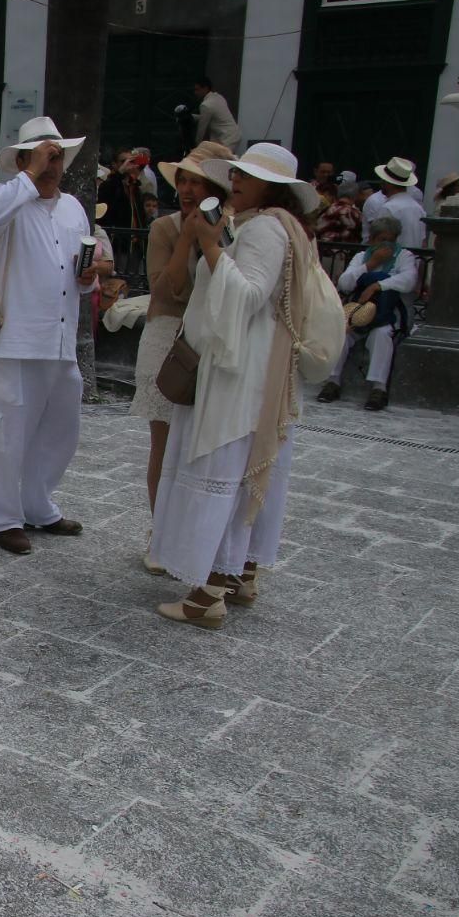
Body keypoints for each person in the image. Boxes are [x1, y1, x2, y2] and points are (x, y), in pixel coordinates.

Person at [149, 142, 317, 628]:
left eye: (248, 176)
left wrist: (208, 245)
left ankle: (207, 594)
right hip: (250, 364)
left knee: (222, 464)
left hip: (236, 370)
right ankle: (240, 572)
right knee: (243, 469)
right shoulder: (280, 228)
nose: (236, 181)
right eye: (237, 173)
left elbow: (245, 296)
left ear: (275, 189)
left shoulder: (265, 229)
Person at [0, 116, 97, 555]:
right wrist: (28, 174)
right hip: (13, 338)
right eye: (45, 155)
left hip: (60, 337)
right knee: (8, 432)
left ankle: (39, 504)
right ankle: (4, 518)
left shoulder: (72, 208)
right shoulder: (2, 198)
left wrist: (90, 278)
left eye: (58, 156)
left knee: (60, 428)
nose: (53, 163)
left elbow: (79, 264)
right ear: (24, 159)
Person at [133, 142, 234, 570]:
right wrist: (188, 238)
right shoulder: (165, 229)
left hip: (212, 340)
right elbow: (165, 289)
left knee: (201, 443)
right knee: (165, 440)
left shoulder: (233, 229)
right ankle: (161, 532)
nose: (189, 190)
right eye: (184, 180)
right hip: (168, 337)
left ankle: (198, 535)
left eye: (198, 181)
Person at [319, 214, 417, 411]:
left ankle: (378, 389)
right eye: (382, 240)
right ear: (372, 240)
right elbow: (345, 283)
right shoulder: (361, 257)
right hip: (360, 313)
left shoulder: (404, 256)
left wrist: (378, 285)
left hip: (386, 315)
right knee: (342, 335)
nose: (387, 244)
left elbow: (408, 281)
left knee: (381, 335)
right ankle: (333, 382)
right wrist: (370, 265)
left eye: (391, 240)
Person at [362, 156, 426, 246]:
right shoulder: (418, 208)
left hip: (394, 258)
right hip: (412, 259)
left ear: (388, 183)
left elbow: (380, 242)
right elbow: (423, 242)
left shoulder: (389, 208)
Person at [192, 76, 242, 153]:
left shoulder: (206, 105)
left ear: (205, 88)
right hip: (233, 134)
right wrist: (192, 116)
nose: (195, 93)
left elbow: (201, 129)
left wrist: (195, 147)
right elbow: (214, 118)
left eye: (197, 90)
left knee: (221, 162)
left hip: (227, 138)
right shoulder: (218, 97)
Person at [316, 178, 363, 244]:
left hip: (322, 250)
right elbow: (361, 235)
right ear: (355, 196)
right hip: (344, 251)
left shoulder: (326, 210)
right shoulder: (355, 213)